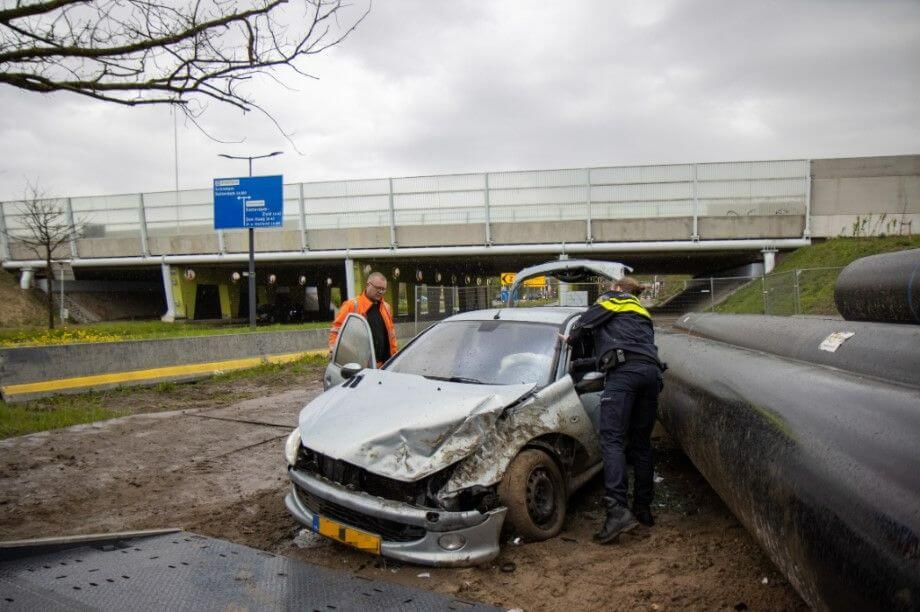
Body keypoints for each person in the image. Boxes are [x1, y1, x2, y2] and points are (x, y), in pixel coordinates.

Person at [566, 275, 664, 543]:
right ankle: (643, 509)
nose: (607, 292)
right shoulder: (642, 312)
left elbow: (584, 324)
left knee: (612, 440)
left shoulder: (614, 300)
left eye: (610, 288)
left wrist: (570, 340)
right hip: (651, 375)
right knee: (641, 444)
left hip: (625, 375)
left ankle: (617, 511)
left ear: (619, 289)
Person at [328, 271, 398, 367]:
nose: (381, 292)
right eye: (378, 288)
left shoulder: (386, 307)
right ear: (368, 285)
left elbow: (391, 336)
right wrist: (334, 351)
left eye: (383, 289)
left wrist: (395, 357)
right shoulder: (352, 305)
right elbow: (336, 330)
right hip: (360, 365)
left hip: (385, 364)